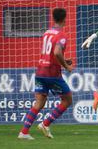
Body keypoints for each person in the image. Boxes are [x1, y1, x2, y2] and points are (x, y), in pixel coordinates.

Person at [18, 8, 73, 140]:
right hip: (52, 74)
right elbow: (57, 52)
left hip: (40, 72)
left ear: (53, 18)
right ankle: (45, 123)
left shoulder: (47, 33)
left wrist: (64, 60)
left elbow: (51, 54)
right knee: (67, 100)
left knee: (39, 102)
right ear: (65, 19)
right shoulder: (62, 35)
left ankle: (24, 132)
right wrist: (66, 65)